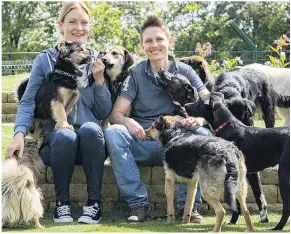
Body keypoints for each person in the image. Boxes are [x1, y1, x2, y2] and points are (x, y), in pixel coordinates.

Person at [5, 2, 112, 224]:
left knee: (92, 128)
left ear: (89, 28)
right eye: (72, 21)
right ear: (61, 25)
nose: (78, 27)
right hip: (58, 144)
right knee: (65, 135)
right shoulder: (45, 59)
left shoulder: (97, 63)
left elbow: (103, 111)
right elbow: (27, 101)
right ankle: (61, 205)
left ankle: (94, 205)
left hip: (91, 145)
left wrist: (100, 81)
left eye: (84, 22)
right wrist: (18, 134)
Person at [104, 15, 211, 223]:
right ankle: (138, 204)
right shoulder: (135, 74)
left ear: (169, 41)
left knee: (203, 134)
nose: (155, 45)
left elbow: (209, 101)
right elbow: (115, 114)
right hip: (142, 139)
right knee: (114, 132)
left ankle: (187, 207)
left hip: (174, 145)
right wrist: (128, 122)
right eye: (149, 41)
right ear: (142, 46)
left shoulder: (186, 71)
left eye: (159, 39)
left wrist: (200, 119)